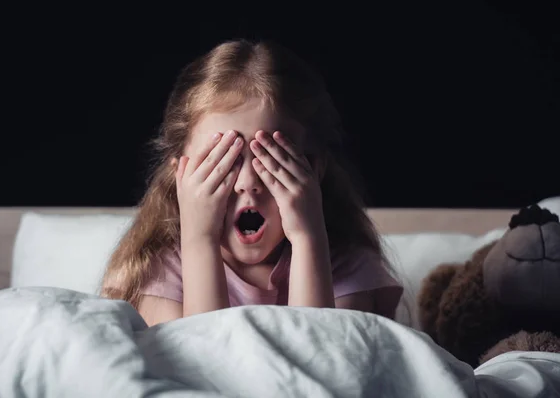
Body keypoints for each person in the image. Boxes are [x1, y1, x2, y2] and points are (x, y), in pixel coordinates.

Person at [100, 38, 404, 326]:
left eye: (271, 159)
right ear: (181, 177)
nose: (247, 183)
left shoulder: (349, 268)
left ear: (313, 170)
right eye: (222, 161)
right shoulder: (158, 274)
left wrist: (308, 238)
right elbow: (200, 369)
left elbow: (321, 366)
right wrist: (199, 240)